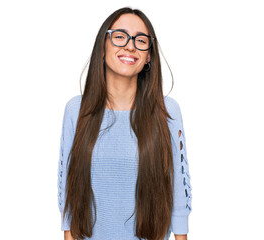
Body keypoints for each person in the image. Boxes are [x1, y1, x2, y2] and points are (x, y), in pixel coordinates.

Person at [57, 7, 192, 240]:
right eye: (120, 36)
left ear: (149, 55)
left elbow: (179, 191)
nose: (130, 46)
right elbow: (68, 190)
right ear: (102, 46)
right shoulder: (76, 110)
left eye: (141, 40)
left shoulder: (167, 111)